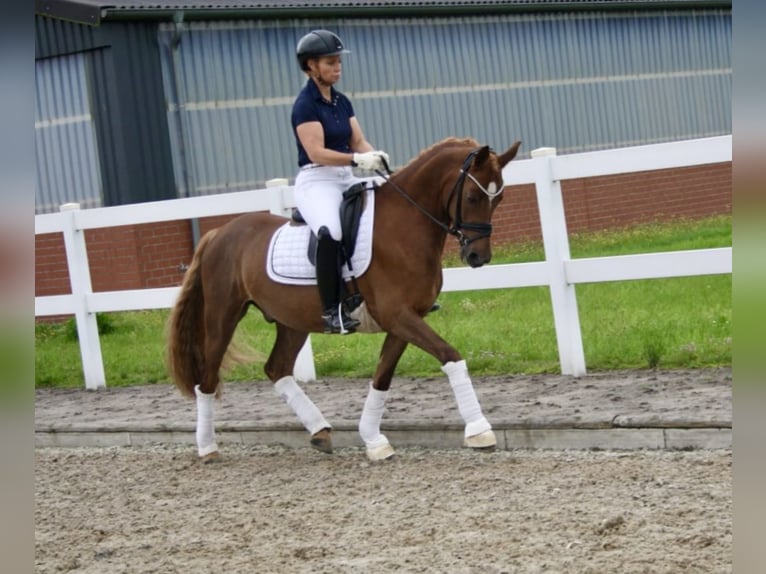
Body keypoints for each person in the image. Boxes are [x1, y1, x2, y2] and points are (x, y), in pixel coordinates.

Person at [291, 29, 390, 335]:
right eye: (330, 62)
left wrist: (375, 157)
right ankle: (332, 309)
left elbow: (357, 140)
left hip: (345, 176)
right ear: (311, 66)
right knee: (331, 231)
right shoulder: (305, 105)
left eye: (338, 62)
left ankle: (397, 292)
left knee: (385, 214)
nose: (337, 67)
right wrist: (354, 160)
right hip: (317, 180)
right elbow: (316, 151)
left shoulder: (342, 102)